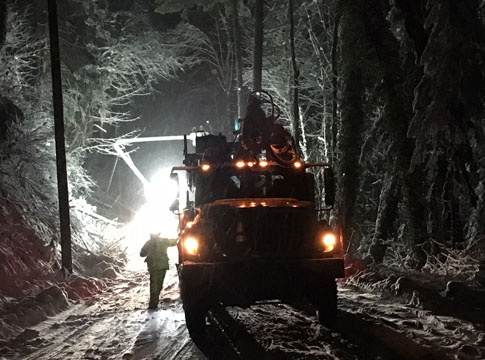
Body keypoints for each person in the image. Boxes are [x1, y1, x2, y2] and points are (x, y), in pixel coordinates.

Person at [140, 233, 178, 309]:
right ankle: (154, 302)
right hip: (162, 266)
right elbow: (175, 242)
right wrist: (180, 237)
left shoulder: (148, 242)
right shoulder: (164, 241)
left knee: (153, 284)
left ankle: (153, 303)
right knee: (159, 284)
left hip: (153, 267)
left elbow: (142, 254)